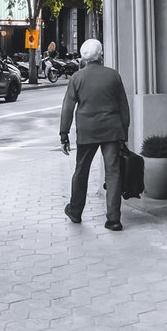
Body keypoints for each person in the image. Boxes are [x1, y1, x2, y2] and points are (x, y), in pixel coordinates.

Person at [59, 38, 130, 231]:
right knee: (113, 173)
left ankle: (75, 211)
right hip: (112, 130)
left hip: (87, 131)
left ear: (83, 58)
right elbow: (124, 107)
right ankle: (114, 219)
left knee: (81, 170)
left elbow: (67, 107)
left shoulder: (77, 78)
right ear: (101, 55)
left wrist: (64, 133)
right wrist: (124, 132)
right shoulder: (113, 75)